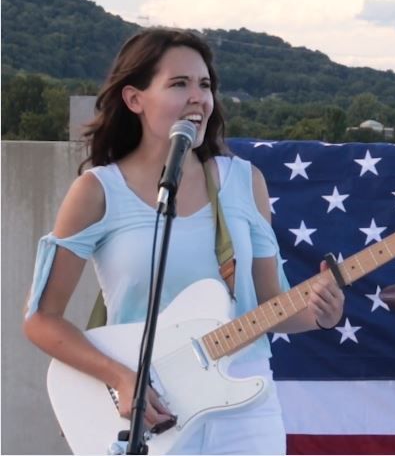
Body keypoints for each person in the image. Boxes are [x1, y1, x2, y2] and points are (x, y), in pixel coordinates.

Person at [23, 27, 344, 455]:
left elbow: (270, 304)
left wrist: (321, 314)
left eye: (205, 85)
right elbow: (41, 318)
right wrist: (121, 378)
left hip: (246, 408)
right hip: (151, 409)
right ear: (134, 99)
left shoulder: (244, 182)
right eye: (179, 84)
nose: (198, 97)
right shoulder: (98, 191)